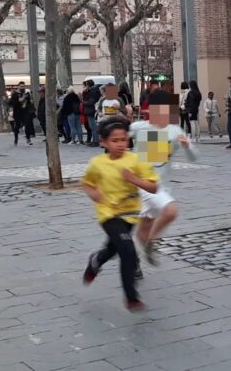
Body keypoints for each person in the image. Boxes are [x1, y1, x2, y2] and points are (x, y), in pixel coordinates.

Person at [81, 116, 159, 312]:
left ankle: (96, 260)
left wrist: (134, 179)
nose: (120, 144)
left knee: (112, 248)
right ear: (104, 142)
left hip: (130, 214)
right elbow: (87, 183)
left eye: (123, 139)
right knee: (127, 250)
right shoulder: (97, 163)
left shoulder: (135, 160)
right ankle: (131, 298)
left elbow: (153, 187)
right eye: (114, 140)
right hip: (108, 213)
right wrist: (94, 194)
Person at [128, 91, 189, 267]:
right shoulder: (139, 127)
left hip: (157, 184)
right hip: (144, 185)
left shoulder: (172, 131)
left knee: (145, 226)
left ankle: (134, 261)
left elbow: (163, 157)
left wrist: (182, 146)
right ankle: (149, 243)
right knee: (170, 211)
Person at [82, 79, 101, 146]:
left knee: (93, 127)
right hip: (89, 111)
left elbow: (92, 102)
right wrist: (84, 92)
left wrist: (83, 103)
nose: (85, 87)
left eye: (86, 85)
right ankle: (94, 140)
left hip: (91, 111)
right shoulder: (90, 91)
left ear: (88, 85)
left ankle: (96, 141)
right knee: (91, 127)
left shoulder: (93, 92)